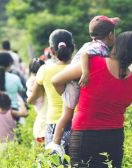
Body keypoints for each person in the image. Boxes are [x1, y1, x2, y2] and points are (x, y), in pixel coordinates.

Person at [52, 31, 132, 168]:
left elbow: (56, 80)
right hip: (114, 137)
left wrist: (71, 98)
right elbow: (124, 104)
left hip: (84, 135)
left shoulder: (93, 63)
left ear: (116, 45)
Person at [49, 15, 120, 159]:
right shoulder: (98, 47)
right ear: (111, 35)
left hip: (73, 85)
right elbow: (85, 55)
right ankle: (55, 144)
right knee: (67, 115)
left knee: (68, 114)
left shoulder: (93, 44)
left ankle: (57, 143)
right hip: (73, 84)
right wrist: (86, 73)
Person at [27, 29, 74, 153]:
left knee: (55, 163)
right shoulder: (80, 69)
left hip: (53, 124)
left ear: (52, 51)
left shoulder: (44, 70)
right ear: (73, 48)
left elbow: (34, 97)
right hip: (78, 123)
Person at [26, 58, 47, 144]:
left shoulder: (32, 80)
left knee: (41, 139)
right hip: (46, 111)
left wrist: (28, 100)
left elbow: (31, 100)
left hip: (42, 115)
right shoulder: (45, 78)